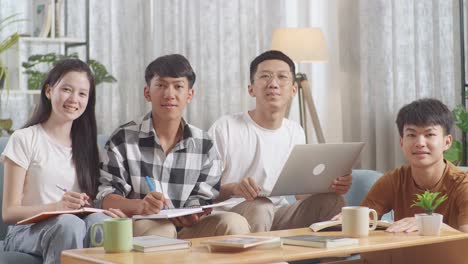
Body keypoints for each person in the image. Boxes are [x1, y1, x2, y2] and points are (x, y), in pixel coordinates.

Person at [97, 54, 249, 238]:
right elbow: (106, 197)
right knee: (162, 229)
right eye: (161, 85)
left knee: (235, 223)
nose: (169, 94)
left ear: (189, 94)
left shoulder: (204, 144)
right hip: (143, 225)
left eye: (178, 86)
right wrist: (141, 206)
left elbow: (203, 197)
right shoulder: (123, 138)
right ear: (147, 93)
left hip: (189, 229)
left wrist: (193, 213)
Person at [208, 50, 352, 232]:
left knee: (332, 201)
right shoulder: (225, 127)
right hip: (234, 216)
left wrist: (331, 186)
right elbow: (204, 190)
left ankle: (333, 259)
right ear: (251, 89)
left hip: (278, 214)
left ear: (293, 90)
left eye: (282, 77)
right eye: (265, 76)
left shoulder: (295, 131)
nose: (273, 84)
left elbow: (301, 195)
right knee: (261, 206)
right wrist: (234, 188)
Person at [1, 59, 121, 264]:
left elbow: (89, 202)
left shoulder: (89, 147)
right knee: (68, 224)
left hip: (73, 223)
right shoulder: (24, 138)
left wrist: (107, 211)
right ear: (49, 91)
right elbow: (9, 212)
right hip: (25, 231)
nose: (74, 99)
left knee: (101, 222)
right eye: (67, 89)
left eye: (82, 94)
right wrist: (57, 206)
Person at [356, 98, 468, 233]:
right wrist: (347, 221)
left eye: (429, 134)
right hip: (404, 254)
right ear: (402, 142)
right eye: (411, 134)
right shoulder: (394, 180)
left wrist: (430, 225)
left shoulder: (463, 183)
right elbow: (363, 222)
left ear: (447, 142)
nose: (420, 142)